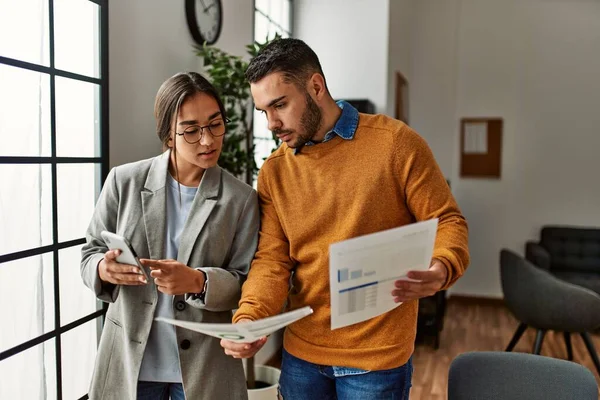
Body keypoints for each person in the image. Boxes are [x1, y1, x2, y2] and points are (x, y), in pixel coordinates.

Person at [220, 38, 470, 399]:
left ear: (316, 87)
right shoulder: (275, 171)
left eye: (279, 105)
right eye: (263, 111)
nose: (272, 123)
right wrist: (249, 318)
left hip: (376, 360)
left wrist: (441, 267)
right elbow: (272, 259)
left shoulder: (396, 143)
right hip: (302, 356)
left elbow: (448, 221)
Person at [80, 72, 259, 400]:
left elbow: (246, 281)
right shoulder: (124, 181)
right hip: (131, 364)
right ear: (168, 135)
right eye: (191, 130)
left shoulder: (241, 199)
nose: (207, 140)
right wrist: (103, 270)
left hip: (205, 368)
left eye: (215, 124)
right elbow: (90, 251)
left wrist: (198, 281)